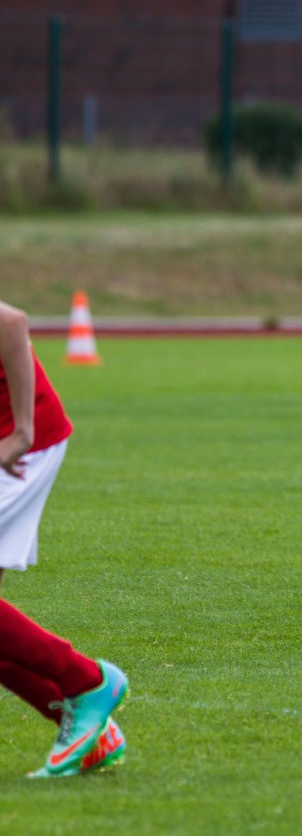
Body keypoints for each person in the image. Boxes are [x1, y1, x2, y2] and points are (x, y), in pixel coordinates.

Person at [0, 298, 128, 777]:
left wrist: (23, 431)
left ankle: (89, 681)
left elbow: (10, 321)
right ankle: (90, 730)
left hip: (16, 445)